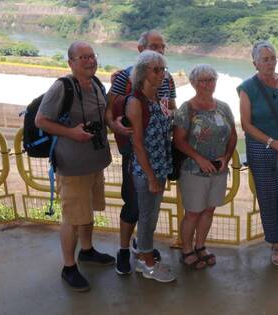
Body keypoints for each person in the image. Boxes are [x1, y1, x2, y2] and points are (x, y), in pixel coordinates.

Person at [35, 41, 114, 292]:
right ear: (71, 63)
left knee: (87, 211)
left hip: (95, 162)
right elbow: (42, 120)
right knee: (72, 217)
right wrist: (71, 133)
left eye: (92, 56)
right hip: (72, 166)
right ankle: (68, 267)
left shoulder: (97, 84)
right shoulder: (62, 87)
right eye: (83, 58)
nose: (90, 61)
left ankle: (87, 251)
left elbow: (103, 117)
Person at [105, 30, 177, 275]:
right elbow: (109, 111)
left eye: (162, 46)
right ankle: (125, 250)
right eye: (154, 46)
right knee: (134, 204)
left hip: (158, 150)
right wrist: (115, 125)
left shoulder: (166, 79)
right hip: (133, 151)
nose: (159, 50)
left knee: (148, 206)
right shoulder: (126, 76)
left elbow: (171, 108)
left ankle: (141, 246)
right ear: (140, 49)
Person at [237, 40, 278, 267]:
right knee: (268, 198)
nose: (270, 63)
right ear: (255, 62)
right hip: (261, 149)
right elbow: (246, 125)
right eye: (265, 59)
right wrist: (274, 143)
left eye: (273, 58)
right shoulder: (247, 88)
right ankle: (275, 244)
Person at [174, 64, 237, 269]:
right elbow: (179, 140)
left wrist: (226, 158)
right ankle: (186, 250)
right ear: (193, 83)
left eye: (211, 79)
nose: (208, 84)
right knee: (193, 212)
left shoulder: (223, 107)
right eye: (203, 80)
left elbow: (233, 134)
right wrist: (199, 159)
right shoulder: (187, 108)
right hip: (193, 170)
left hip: (218, 171)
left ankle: (200, 246)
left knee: (209, 210)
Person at [124, 50, 176, 282]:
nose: (161, 74)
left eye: (163, 69)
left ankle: (144, 254)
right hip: (147, 172)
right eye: (156, 70)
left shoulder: (156, 99)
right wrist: (151, 177)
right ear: (144, 72)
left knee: (151, 217)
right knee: (147, 218)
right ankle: (147, 264)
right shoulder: (136, 102)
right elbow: (137, 144)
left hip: (160, 168)